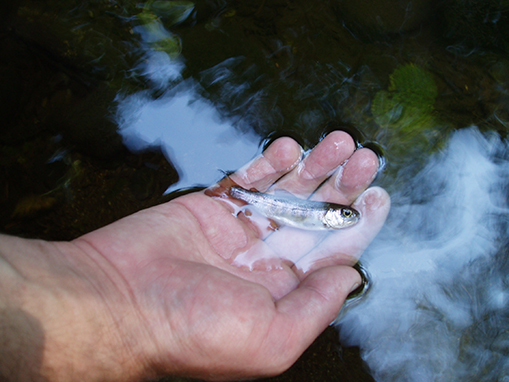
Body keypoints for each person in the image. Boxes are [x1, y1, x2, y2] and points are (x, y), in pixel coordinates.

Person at [0, 130, 390, 382]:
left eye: (346, 216)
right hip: (266, 206)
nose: (346, 217)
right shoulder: (319, 219)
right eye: (345, 215)